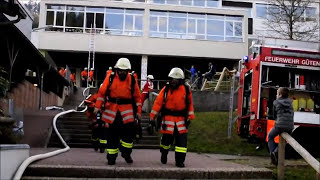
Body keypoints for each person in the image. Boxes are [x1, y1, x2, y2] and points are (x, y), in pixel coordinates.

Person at [94, 58, 142, 165]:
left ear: (128, 70)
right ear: (117, 69)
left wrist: (138, 112)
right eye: (120, 70)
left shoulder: (132, 79)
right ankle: (111, 157)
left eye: (124, 70)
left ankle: (126, 153)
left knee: (128, 136)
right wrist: (97, 106)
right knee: (112, 136)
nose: (122, 72)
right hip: (112, 111)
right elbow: (102, 93)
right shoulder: (110, 77)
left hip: (127, 113)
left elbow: (138, 97)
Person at [150, 67, 195, 168]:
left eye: (176, 79)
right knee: (166, 142)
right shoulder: (165, 90)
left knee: (181, 144)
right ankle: (164, 153)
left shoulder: (186, 90)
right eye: (172, 79)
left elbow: (190, 104)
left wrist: (190, 116)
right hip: (168, 121)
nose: (173, 81)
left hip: (181, 122)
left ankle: (180, 161)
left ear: (181, 80)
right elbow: (157, 104)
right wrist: (152, 117)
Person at [268, 87, 294, 166]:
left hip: (279, 125)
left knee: (270, 136)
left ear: (280, 95)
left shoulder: (276, 102)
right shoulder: (290, 103)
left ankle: (273, 152)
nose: (276, 95)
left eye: (277, 93)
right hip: (290, 126)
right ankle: (276, 152)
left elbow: (273, 115)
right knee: (285, 140)